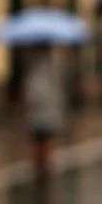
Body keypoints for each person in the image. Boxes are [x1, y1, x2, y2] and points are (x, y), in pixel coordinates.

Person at [24, 44, 65, 178]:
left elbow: (35, 90)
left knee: (42, 139)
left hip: (41, 112)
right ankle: (43, 166)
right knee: (43, 139)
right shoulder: (49, 67)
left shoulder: (38, 69)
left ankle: (42, 166)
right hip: (44, 112)